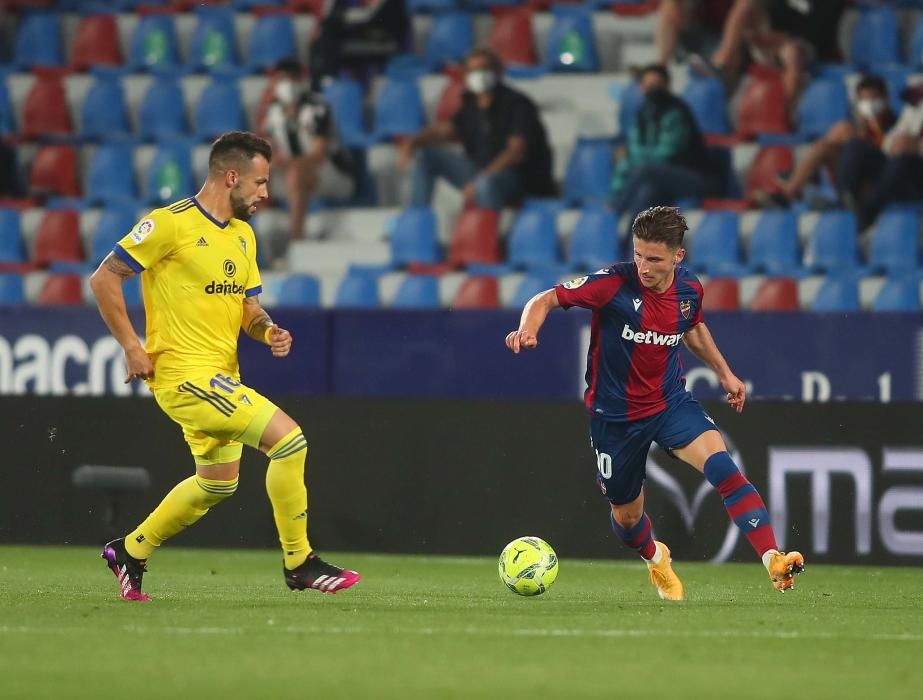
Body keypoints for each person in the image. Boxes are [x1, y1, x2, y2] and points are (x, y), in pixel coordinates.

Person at [89, 131, 359, 601]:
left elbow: (250, 311)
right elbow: (104, 278)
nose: (265, 193)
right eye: (259, 182)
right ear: (231, 176)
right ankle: (300, 561)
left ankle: (131, 550)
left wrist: (268, 330)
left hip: (221, 377)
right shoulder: (169, 224)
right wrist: (132, 346)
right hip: (184, 376)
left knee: (216, 485)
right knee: (290, 442)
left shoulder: (243, 236)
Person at [504, 205, 804, 600]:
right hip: (615, 418)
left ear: (678, 257)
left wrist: (724, 373)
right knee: (627, 519)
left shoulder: (689, 289)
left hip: (669, 404)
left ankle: (773, 558)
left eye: (654, 259)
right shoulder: (612, 283)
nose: (643, 266)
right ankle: (655, 557)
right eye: (638, 254)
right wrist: (527, 329)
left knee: (724, 469)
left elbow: (692, 327)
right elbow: (546, 299)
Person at [398, 48, 556, 210]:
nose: (478, 74)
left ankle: (487, 231)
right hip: (481, 172)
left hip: (519, 178)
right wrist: (413, 142)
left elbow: (516, 152)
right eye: (472, 70)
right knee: (426, 157)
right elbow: (444, 131)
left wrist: (482, 179)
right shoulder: (471, 105)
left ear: (498, 71)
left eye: (483, 69)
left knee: (486, 184)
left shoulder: (517, 104)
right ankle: (416, 219)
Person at [259, 59, 357, 240]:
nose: (285, 85)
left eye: (290, 79)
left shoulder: (318, 107)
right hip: (291, 172)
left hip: (329, 172)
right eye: (280, 80)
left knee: (297, 172)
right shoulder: (273, 111)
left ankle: (296, 238)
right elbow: (269, 149)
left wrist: (289, 165)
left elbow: (318, 155)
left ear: (301, 80)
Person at [611, 65, 715, 226]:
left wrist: (640, 160)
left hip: (691, 177)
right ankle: (630, 245)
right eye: (648, 85)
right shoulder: (640, 115)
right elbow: (633, 154)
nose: (653, 90)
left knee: (646, 169)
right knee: (646, 193)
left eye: (657, 85)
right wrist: (617, 188)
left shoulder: (677, 112)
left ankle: (614, 213)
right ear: (641, 88)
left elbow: (667, 153)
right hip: (658, 180)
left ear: (667, 85)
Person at [775, 74, 895, 206]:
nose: (869, 105)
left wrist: (867, 134)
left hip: (879, 178)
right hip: (852, 177)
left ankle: (810, 177)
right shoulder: (862, 126)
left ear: (886, 98)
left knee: (844, 129)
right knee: (823, 148)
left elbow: (890, 154)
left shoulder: (897, 123)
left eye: (873, 99)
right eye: (864, 100)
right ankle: (788, 194)